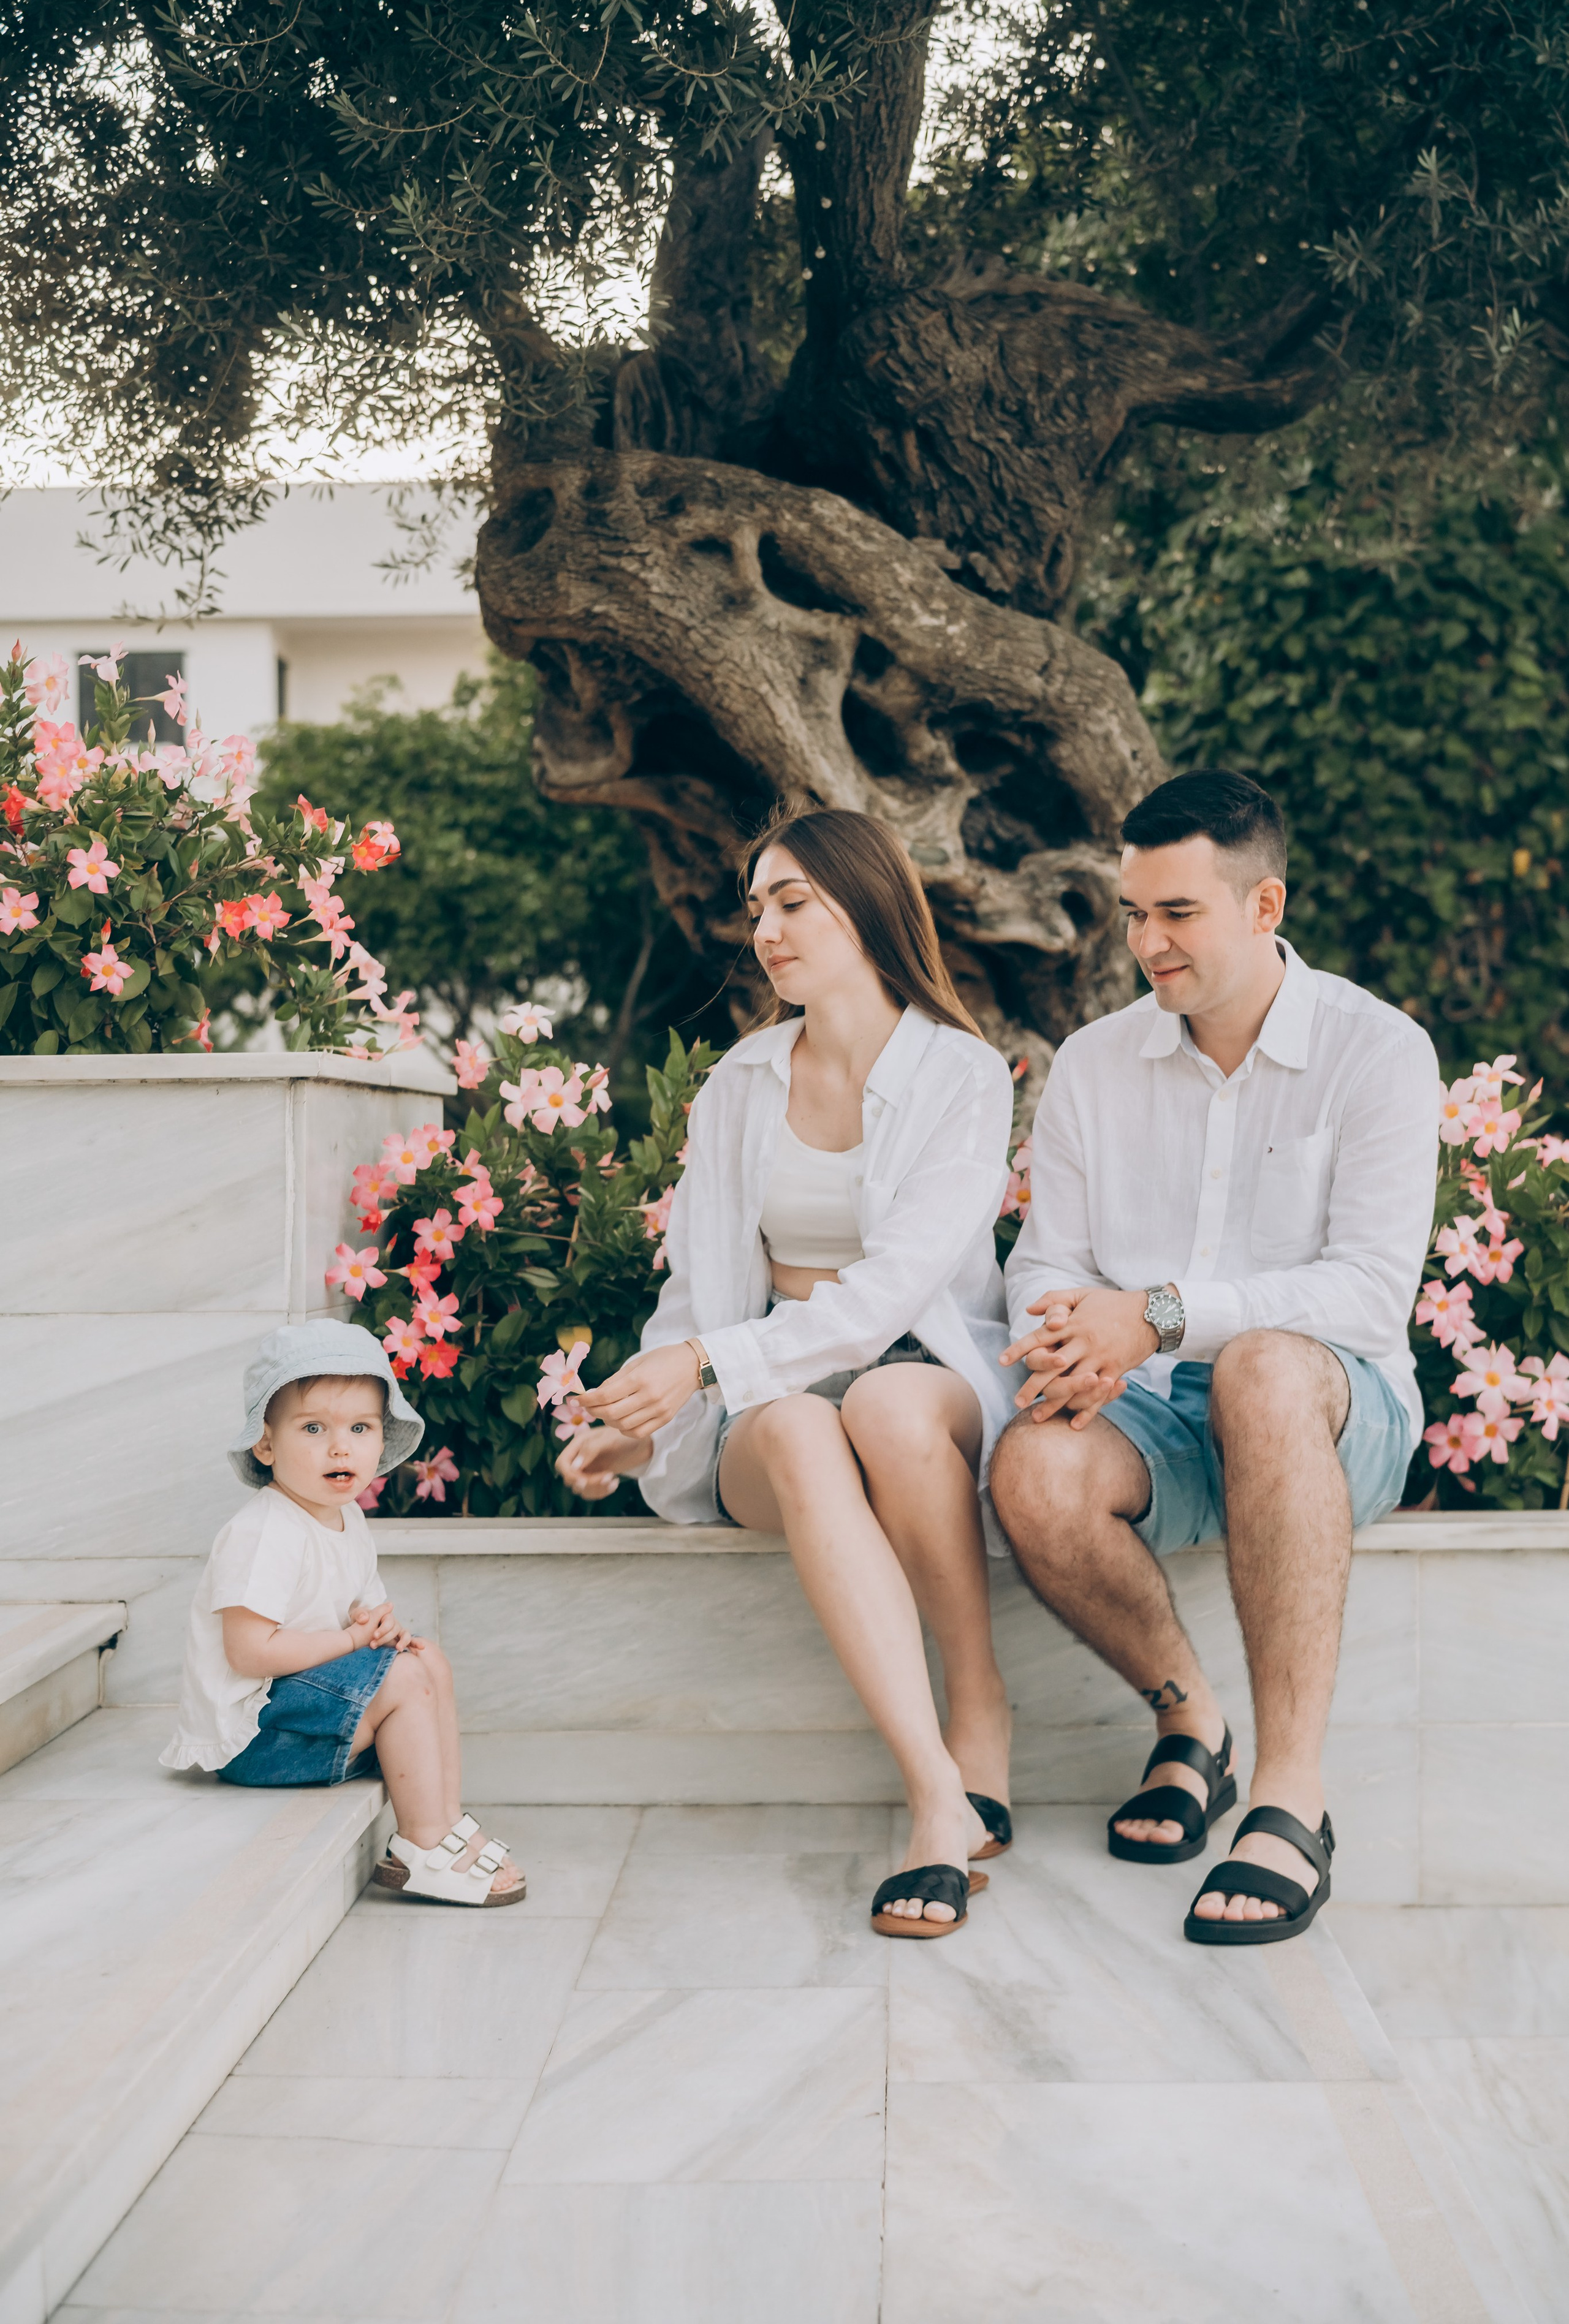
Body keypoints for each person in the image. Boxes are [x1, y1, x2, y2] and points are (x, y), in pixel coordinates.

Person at [990, 771, 1438, 1946]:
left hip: (1336, 1408)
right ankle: (1193, 1728)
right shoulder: (1093, 1062)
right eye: (1134, 913)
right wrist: (1070, 1334)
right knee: (1031, 1468)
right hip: (1150, 1409)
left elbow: (1369, 1288)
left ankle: (1292, 1796)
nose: (1146, 942)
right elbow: (1044, 1261)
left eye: (1176, 913)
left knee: (1263, 1368)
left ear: (1263, 904)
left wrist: (1163, 1312)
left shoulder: (1377, 1051)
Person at [558, 809, 1017, 1938]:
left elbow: (893, 1297)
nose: (764, 927)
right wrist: (648, 1420)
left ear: (867, 903)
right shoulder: (740, 1085)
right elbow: (698, 1287)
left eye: (793, 900)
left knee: (888, 1402)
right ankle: (935, 1795)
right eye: (757, 906)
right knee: (810, 1427)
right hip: (767, 1394)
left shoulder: (964, 1077)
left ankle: (981, 1705)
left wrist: (705, 1363)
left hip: (918, 1372)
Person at [161, 1321, 526, 1908]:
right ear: (266, 1444)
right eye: (313, 1428)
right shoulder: (265, 1531)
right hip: (256, 1740)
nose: (341, 1447)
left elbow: (359, 1611)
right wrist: (355, 1640)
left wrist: (380, 1629)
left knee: (424, 1658)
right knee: (401, 1677)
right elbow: (250, 1653)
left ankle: (446, 1819)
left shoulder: (345, 1519)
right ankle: (422, 1843)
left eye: (360, 1428)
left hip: (303, 1712)